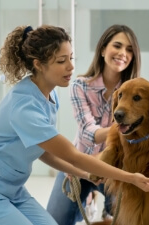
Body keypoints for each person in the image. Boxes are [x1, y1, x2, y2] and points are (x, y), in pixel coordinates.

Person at [0, 25, 149, 225]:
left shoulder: (49, 95)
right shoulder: (24, 107)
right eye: (61, 61)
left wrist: (86, 174)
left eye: (71, 58)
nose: (71, 66)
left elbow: (41, 150)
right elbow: (74, 155)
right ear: (38, 64)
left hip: (15, 190)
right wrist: (132, 178)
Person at [46, 24, 141, 224]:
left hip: (114, 168)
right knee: (54, 220)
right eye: (118, 46)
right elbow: (89, 132)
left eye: (129, 50)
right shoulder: (80, 86)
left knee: (123, 217)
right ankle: (90, 202)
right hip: (78, 165)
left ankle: (104, 208)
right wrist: (125, 126)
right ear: (103, 49)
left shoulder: (135, 92)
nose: (123, 53)